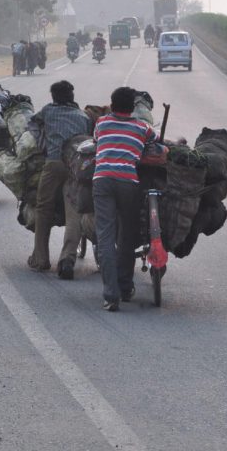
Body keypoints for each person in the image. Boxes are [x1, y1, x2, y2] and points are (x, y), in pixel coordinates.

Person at [92, 86, 157, 311]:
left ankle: (111, 295)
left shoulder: (101, 123)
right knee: (127, 236)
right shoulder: (142, 127)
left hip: (102, 181)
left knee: (106, 237)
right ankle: (126, 286)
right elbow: (155, 141)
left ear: (112, 105)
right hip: (129, 182)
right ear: (133, 108)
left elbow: (96, 141)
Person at [28, 80, 91, 276]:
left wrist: (43, 145)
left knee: (43, 208)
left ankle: (41, 259)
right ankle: (66, 260)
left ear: (54, 97)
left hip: (53, 163)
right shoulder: (83, 116)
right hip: (76, 167)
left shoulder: (47, 111)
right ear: (72, 96)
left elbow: (32, 123)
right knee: (74, 212)